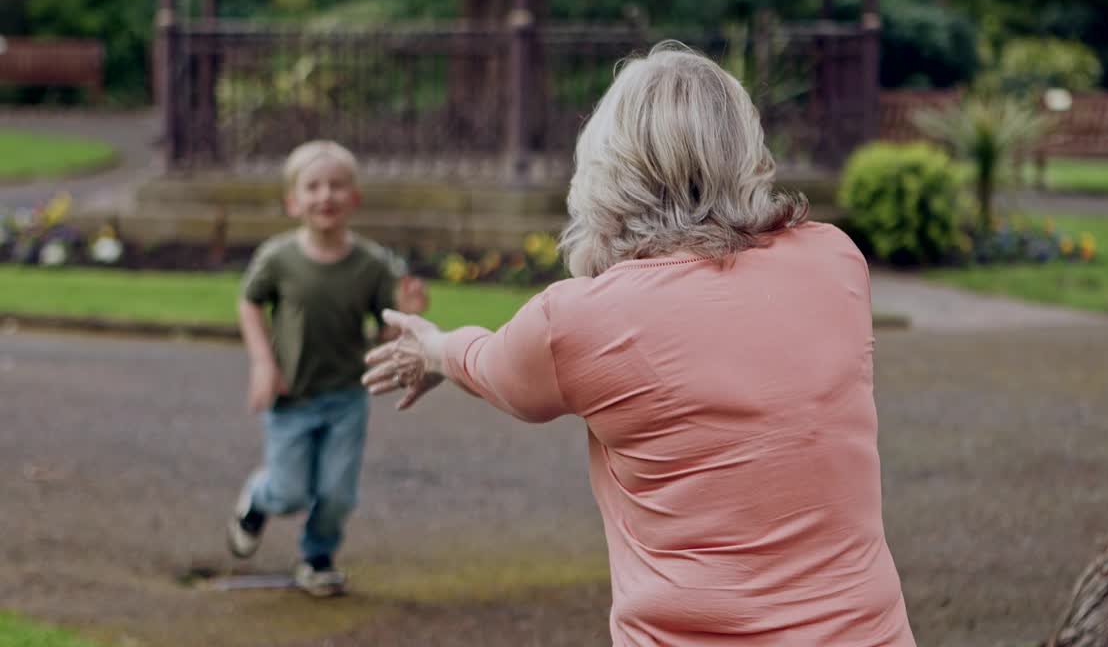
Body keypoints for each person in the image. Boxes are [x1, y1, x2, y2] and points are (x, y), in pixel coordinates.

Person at [363, 42, 915, 644]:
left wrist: (434, 347)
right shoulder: (835, 260)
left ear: (610, 163)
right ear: (744, 148)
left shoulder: (577, 321)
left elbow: (493, 370)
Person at [226, 140, 427, 597]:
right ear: (292, 201)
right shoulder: (278, 258)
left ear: (354, 198)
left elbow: (387, 332)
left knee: (337, 494)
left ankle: (317, 558)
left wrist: (405, 315)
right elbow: (249, 302)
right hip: (290, 396)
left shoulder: (372, 264)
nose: (325, 196)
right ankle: (258, 499)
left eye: (337, 186)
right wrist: (262, 362)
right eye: (312, 187)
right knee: (289, 492)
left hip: (345, 398)